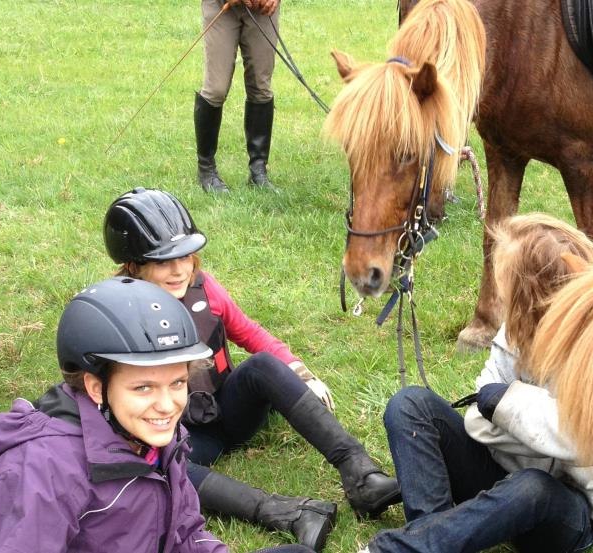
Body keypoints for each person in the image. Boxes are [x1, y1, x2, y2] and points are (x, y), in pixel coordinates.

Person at [103, 188, 401, 549]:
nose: (180, 270)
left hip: (227, 409)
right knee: (159, 466)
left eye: (185, 256)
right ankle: (290, 513)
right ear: (134, 266)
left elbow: (249, 332)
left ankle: (361, 475)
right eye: (165, 262)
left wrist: (298, 371)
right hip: (181, 437)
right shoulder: (115, 316)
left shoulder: (204, 288)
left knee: (262, 365)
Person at [0, 277, 315, 553]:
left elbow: (185, 533)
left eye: (177, 382)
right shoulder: (43, 469)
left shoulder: (156, 437)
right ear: (96, 388)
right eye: (143, 388)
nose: (167, 406)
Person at [362, 213, 593, 552]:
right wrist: (534, 427)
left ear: (530, 294)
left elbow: (587, 443)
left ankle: (404, 548)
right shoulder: (517, 327)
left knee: (532, 486)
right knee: (408, 405)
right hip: (499, 472)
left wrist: (508, 405)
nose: (498, 291)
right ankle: (432, 538)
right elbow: (477, 421)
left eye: (504, 281)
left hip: (564, 509)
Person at [195, 0, 280, 192]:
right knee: (216, 89)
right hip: (220, 6)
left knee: (260, 86)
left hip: (263, 7)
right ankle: (206, 170)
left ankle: (258, 171)